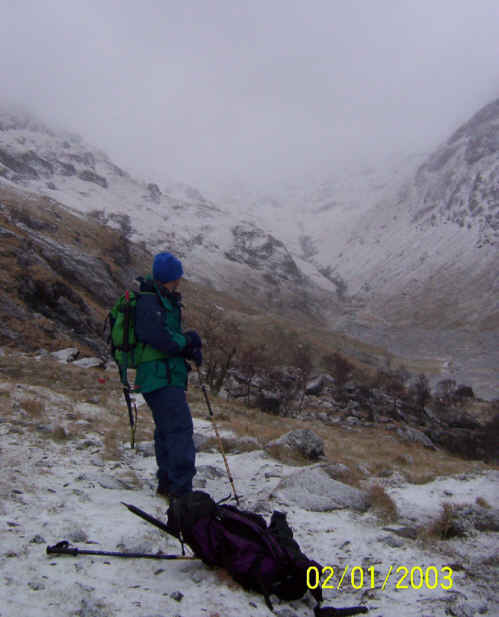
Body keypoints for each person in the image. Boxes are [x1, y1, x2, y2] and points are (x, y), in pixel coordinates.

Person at [134, 252, 202, 499]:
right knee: (179, 429)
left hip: (164, 375)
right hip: (158, 376)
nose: (179, 283)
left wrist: (187, 346)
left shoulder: (161, 299)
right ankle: (181, 490)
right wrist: (187, 342)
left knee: (166, 429)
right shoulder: (150, 302)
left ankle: (167, 483)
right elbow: (159, 338)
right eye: (176, 278)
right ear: (167, 278)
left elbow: (168, 336)